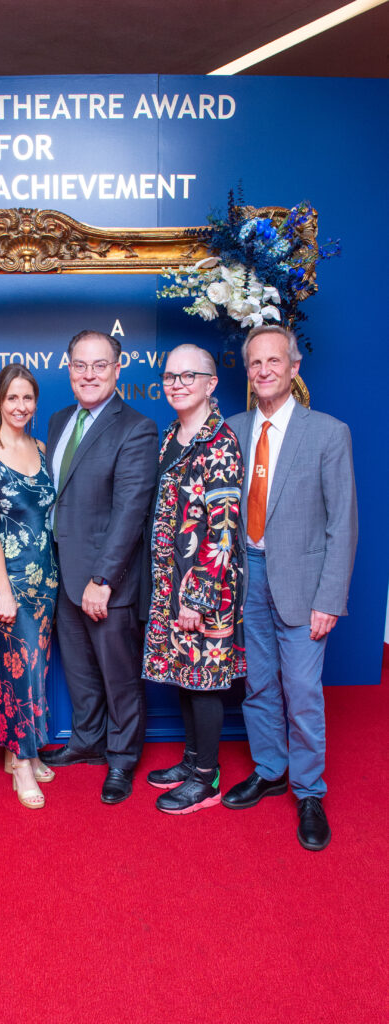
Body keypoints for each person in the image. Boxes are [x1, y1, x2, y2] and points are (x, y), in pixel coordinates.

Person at [222, 325, 357, 851]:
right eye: (255, 363)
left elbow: (341, 524)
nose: (264, 370)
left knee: (301, 693)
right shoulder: (230, 430)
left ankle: (308, 792)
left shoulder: (327, 432)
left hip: (303, 586)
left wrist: (330, 599)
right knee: (256, 685)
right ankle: (270, 769)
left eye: (274, 361)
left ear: (294, 368)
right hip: (247, 578)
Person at [42, 330, 159, 804]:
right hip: (62, 571)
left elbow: (131, 511)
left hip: (105, 581)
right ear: (68, 369)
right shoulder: (57, 421)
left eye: (99, 365)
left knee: (118, 676)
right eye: (80, 365)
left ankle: (122, 758)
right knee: (80, 671)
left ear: (117, 369)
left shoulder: (136, 427)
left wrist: (102, 579)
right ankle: (86, 740)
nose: (89, 375)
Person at [142, 345, 245, 814]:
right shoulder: (172, 437)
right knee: (185, 674)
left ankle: (206, 779)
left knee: (204, 679)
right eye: (170, 376)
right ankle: (190, 762)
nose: (178, 383)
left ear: (211, 383)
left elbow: (223, 530)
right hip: (172, 582)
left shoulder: (219, 443)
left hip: (204, 590)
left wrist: (197, 599)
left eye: (189, 375)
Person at [0, 365, 59, 809]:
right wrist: (3, 591)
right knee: (18, 666)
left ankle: (15, 750)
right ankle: (23, 764)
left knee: (33, 666)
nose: (20, 406)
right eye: (13, 399)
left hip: (46, 577)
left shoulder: (41, 448)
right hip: (7, 581)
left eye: (28, 399)